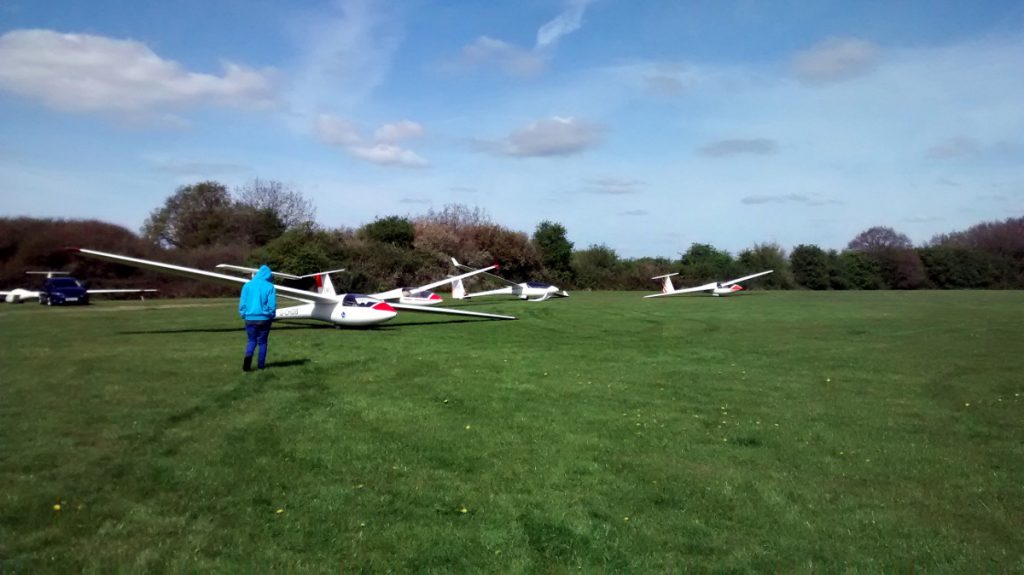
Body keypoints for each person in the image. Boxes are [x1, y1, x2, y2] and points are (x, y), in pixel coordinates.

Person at [239, 265, 277, 371]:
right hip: (264, 319)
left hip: (249, 318)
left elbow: (243, 303)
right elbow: (272, 305)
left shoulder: (247, 286)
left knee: (251, 340)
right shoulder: (270, 287)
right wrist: (271, 315)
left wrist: (243, 314)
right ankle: (261, 366)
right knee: (262, 342)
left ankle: (247, 362)